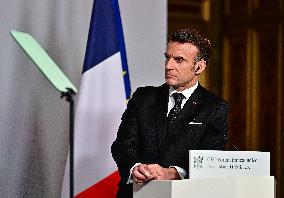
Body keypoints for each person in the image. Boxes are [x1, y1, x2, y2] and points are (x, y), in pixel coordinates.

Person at [111, 28, 229, 198]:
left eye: (179, 60)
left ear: (199, 66)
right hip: (136, 193)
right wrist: (135, 167)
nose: (169, 66)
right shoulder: (143, 97)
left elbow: (210, 160)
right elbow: (122, 144)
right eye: (167, 57)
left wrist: (172, 173)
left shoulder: (215, 107)